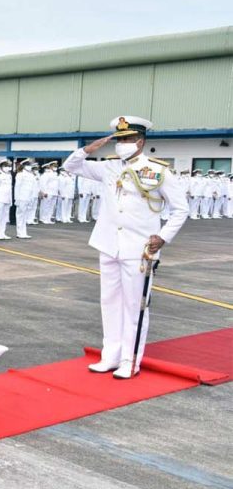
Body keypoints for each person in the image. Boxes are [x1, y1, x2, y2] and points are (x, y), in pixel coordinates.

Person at [64, 115, 187, 380]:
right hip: (108, 244)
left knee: (134, 306)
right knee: (109, 302)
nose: (122, 144)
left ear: (140, 142)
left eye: (128, 139)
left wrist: (163, 236)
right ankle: (110, 355)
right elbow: (71, 166)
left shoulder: (158, 171)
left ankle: (130, 360)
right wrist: (88, 149)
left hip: (140, 248)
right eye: (119, 139)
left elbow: (180, 209)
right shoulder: (108, 167)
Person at [14, 159, 37, 239]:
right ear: (24, 166)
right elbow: (17, 187)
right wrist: (16, 199)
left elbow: (33, 188)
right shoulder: (20, 174)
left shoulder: (31, 175)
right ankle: (19, 233)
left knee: (25, 216)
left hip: (28, 197)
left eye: (30, 165)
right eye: (28, 165)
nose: (30, 166)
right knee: (20, 215)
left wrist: (32, 197)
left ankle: (24, 232)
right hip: (21, 197)